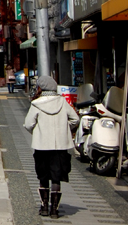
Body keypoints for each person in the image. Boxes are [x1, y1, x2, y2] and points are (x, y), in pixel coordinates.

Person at [23, 76, 79, 219]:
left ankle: (44, 207)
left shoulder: (36, 104)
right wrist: (65, 129)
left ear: (41, 88)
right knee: (56, 177)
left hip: (42, 146)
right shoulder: (63, 102)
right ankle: (54, 209)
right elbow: (75, 119)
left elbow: (28, 124)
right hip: (60, 146)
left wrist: (38, 132)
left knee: (43, 176)